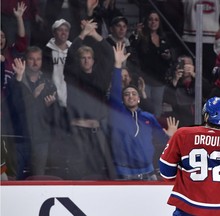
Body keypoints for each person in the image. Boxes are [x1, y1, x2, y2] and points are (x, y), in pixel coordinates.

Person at [108, 43, 179, 180]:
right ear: (122, 100)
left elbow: (161, 141)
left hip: (148, 172)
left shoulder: (148, 117)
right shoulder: (118, 114)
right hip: (124, 172)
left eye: (134, 94)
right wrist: (117, 65)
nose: (131, 96)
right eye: (127, 94)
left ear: (139, 99)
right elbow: (115, 91)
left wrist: (170, 136)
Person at [63, 19, 116, 180]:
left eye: (89, 57)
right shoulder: (73, 76)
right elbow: (70, 55)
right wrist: (83, 34)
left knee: (101, 172)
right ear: (79, 61)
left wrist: (94, 34)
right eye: (83, 58)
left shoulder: (101, 77)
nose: (86, 60)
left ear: (93, 60)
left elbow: (109, 54)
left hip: (97, 132)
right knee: (77, 172)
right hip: (77, 131)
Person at [4, 48, 57, 179]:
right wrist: (33, 95)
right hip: (19, 139)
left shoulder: (49, 84)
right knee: (14, 179)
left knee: (38, 179)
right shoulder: (16, 80)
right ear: (25, 61)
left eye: (38, 59)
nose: (35, 62)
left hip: (40, 139)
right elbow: (15, 108)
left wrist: (50, 106)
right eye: (31, 59)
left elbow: (54, 117)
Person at [132, 10, 172, 117]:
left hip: (159, 79)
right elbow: (133, 49)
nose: (153, 22)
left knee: (157, 109)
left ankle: (155, 131)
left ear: (159, 23)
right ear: (146, 22)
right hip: (145, 79)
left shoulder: (163, 38)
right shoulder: (141, 37)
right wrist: (137, 33)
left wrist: (168, 57)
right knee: (145, 106)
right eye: (150, 19)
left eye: (156, 20)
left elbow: (169, 57)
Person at [164, 55, 212, 127]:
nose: (186, 67)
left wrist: (194, 75)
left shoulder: (197, 81)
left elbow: (208, 90)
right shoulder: (174, 83)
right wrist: (175, 80)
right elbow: (168, 99)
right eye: (183, 64)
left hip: (200, 120)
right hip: (182, 121)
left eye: (188, 64)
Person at [1, 2, 28, 92]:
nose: (0, 39)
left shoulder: (11, 53)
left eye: (2, 36)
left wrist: (19, 18)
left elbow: (21, 41)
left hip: (8, 99)